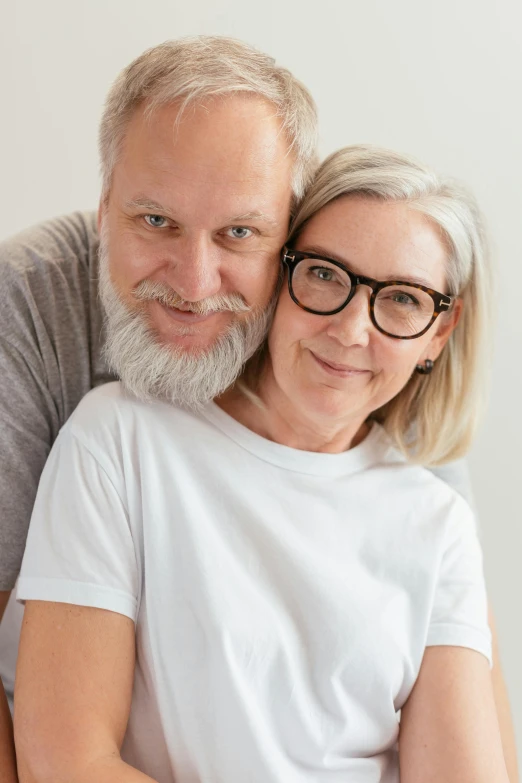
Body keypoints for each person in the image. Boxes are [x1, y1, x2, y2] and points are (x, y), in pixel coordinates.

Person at [0, 37, 517, 782]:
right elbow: (66, 755)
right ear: (105, 202)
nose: (195, 277)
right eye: (155, 221)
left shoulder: (430, 504)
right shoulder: (102, 420)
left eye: (238, 232)